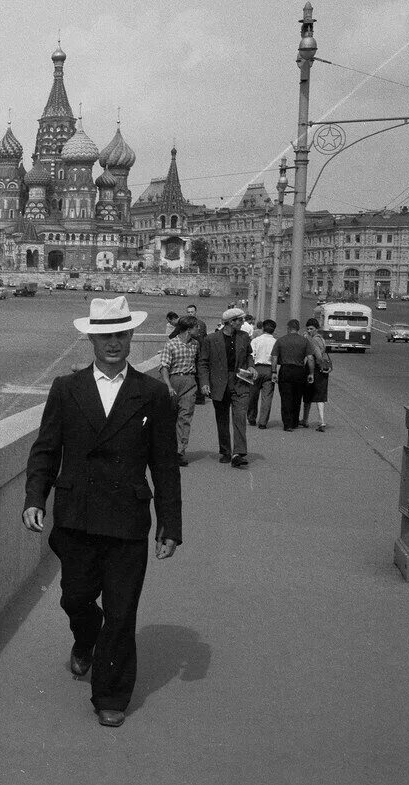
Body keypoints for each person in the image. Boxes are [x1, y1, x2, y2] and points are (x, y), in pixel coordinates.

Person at [22, 296, 181, 729]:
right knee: (75, 597)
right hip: (76, 516)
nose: (113, 342)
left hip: (128, 519)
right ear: (91, 338)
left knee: (123, 611)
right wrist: (35, 497)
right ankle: (84, 638)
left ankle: (110, 695)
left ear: (131, 336)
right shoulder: (66, 388)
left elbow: (164, 464)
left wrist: (171, 523)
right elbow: (46, 450)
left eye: (121, 334)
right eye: (105, 335)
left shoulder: (152, 394)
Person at [198, 307, 254, 467]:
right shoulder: (211, 339)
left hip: (240, 383)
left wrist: (251, 366)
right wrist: (204, 383)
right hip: (219, 385)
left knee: (240, 418)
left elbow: (249, 355)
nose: (243, 323)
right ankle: (225, 451)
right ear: (231, 322)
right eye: (240, 320)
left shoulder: (244, 337)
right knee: (222, 420)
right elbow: (203, 363)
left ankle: (238, 453)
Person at [158, 316, 200, 466]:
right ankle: (166, 449)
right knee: (170, 418)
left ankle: (180, 451)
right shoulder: (171, 344)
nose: (199, 329)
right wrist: (168, 386)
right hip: (173, 381)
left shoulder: (195, 344)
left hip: (189, 382)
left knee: (185, 417)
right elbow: (164, 367)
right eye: (196, 327)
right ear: (189, 329)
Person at [270, 319, 315, 432]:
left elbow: (274, 358)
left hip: (285, 370)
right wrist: (311, 373)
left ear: (288, 328)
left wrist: (274, 372)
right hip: (299, 371)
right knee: (297, 397)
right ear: (298, 328)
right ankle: (295, 421)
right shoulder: (304, 341)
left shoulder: (280, 340)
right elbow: (310, 358)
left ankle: (287, 424)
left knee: (286, 397)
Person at [302, 318, 332, 432]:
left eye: (311, 329)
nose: (309, 331)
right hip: (321, 371)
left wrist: (319, 366)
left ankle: (305, 420)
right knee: (320, 396)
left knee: (308, 395)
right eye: (308, 329)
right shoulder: (322, 339)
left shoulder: (313, 340)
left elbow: (318, 356)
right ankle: (322, 421)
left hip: (314, 369)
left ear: (316, 329)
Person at [248, 319, 278, 429]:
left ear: (263, 328)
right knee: (267, 397)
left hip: (256, 368)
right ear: (274, 330)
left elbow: (251, 355)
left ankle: (251, 417)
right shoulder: (276, 342)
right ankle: (263, 422)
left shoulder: (256, 340)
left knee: (252, 395)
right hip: (270, 369)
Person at [185, 305, 209, 405]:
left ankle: (200, 397)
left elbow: (204, 339)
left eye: (192, 312)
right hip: (189, 352)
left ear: (196, 312)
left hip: (200, 352)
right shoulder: (185, 324)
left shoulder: (201, 324)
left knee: (200, 374)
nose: (190, 313)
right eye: (188, 312)